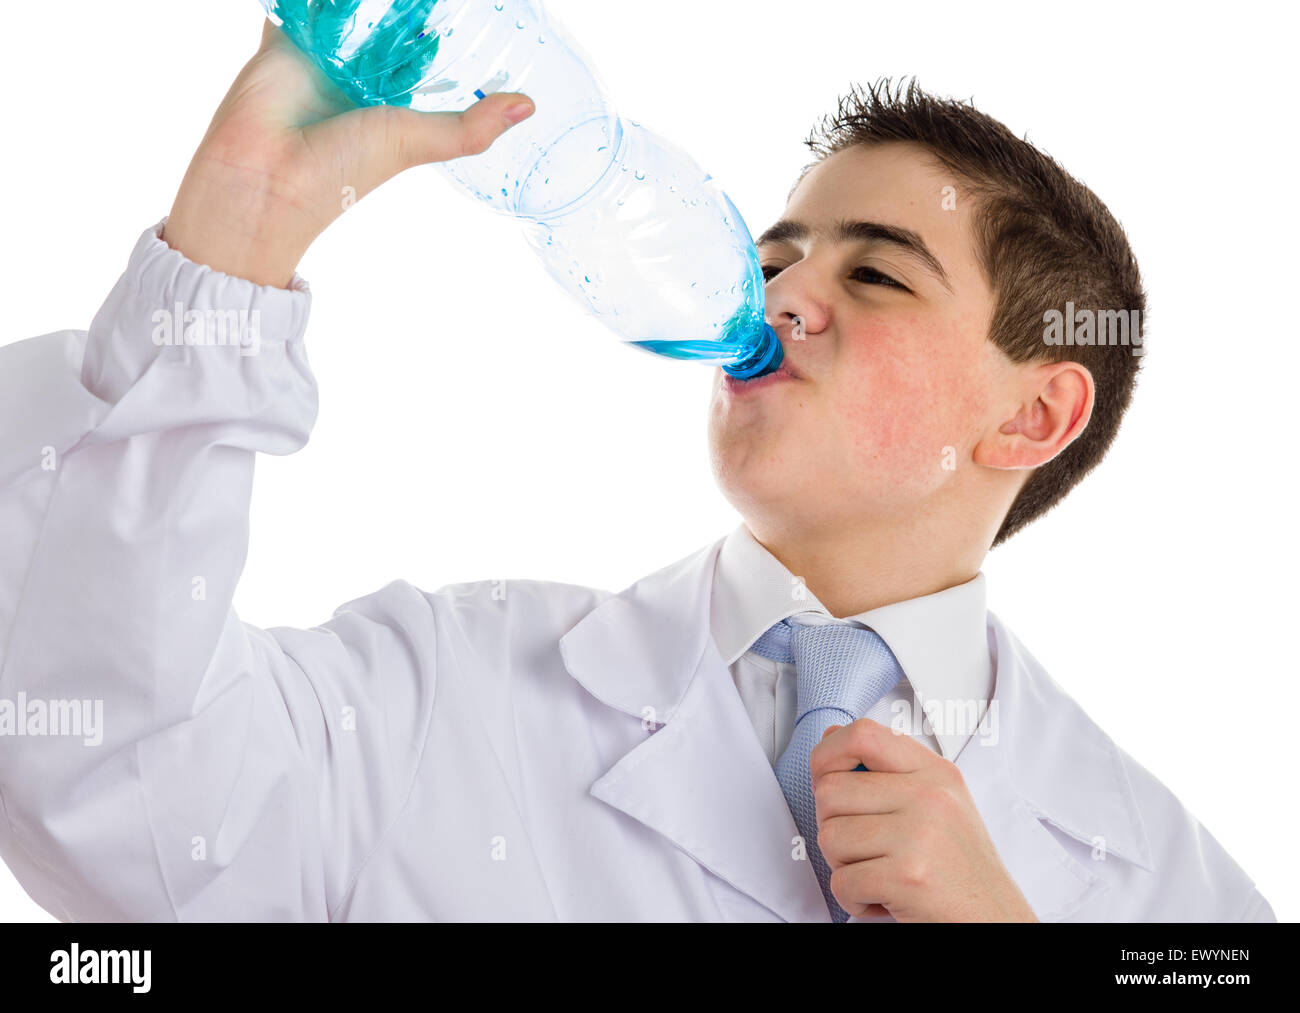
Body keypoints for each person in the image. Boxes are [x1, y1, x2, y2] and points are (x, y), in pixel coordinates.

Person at [0, 20, 1274, 923]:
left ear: (1036, 414)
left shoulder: (1155, 880)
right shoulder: (444, 696)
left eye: (874, 271)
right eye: (775, 256)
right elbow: (99, 764)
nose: (781, 298)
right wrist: (239, 223)